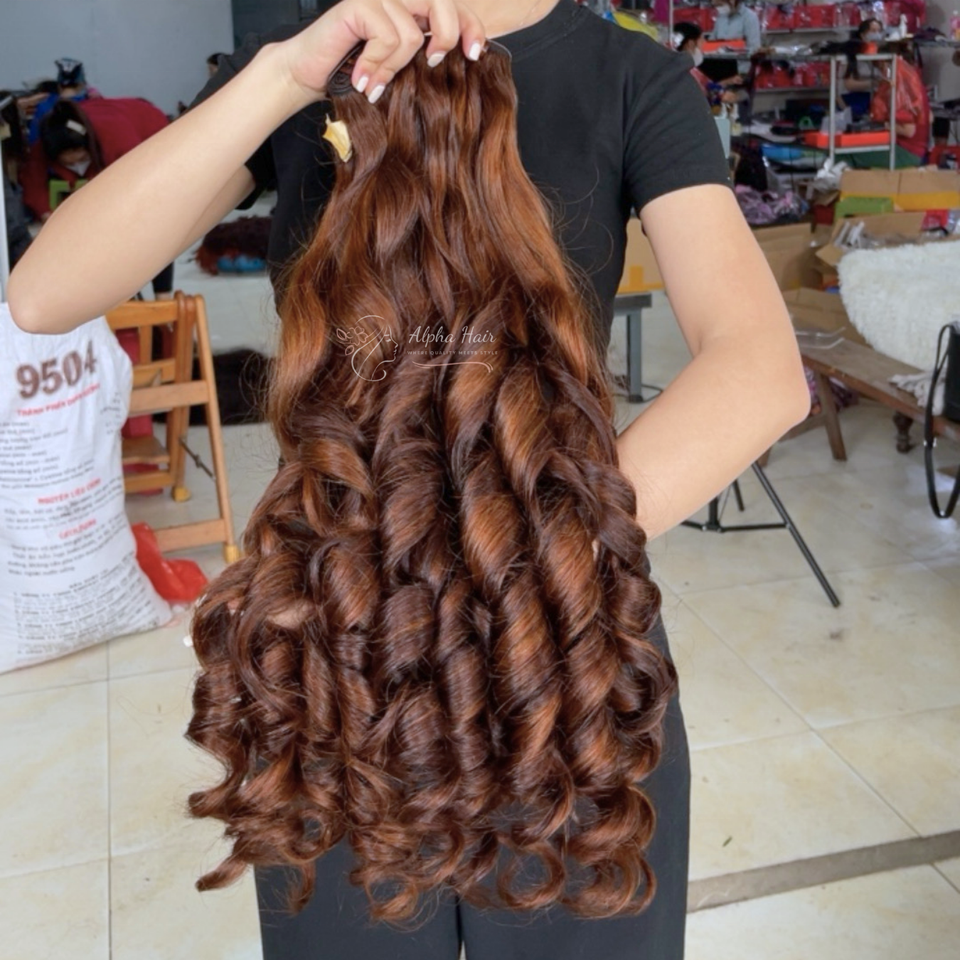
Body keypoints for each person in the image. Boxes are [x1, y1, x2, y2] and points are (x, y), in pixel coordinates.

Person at [6, 1, 811, 957]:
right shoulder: (306, 64)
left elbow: (759, 369)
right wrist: (281, 79)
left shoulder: (627, 76)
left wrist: (530, 561)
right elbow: (44, 292)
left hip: (554, 653)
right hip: (343, 651)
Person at [20, 98, 174, 297]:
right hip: (107, 142)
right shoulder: (45, 145)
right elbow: (33, 187)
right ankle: (125, 297)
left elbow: (137, 188)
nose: (76, 164)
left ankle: (163, 295)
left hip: (151, 135)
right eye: (68, 162)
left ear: (88, 145)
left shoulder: (117, 138)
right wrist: (48, 218)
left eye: (81, 158)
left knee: (156, 228)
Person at [847, 40, 931, 167]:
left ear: (886, 63)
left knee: (847, 153)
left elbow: (909, 131)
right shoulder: (912, 78)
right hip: (916, 150)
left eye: (880, 67)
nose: (880, 71)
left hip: (906, 151)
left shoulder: (902, 83)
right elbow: (930, 117)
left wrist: (882, 125)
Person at [26, 58, 102, 146]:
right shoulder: (92, 104)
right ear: (81, 85)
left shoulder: (43, 106)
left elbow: (33, 141)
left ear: (59, 85)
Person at [672, 21, 742, 104]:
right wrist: (720, 96)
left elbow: (707, 86)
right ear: (691, 44)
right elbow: (700, 96)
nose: (704, 42)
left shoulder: (687, 67)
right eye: (701, 39)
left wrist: (728, 81)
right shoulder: (683, 71)